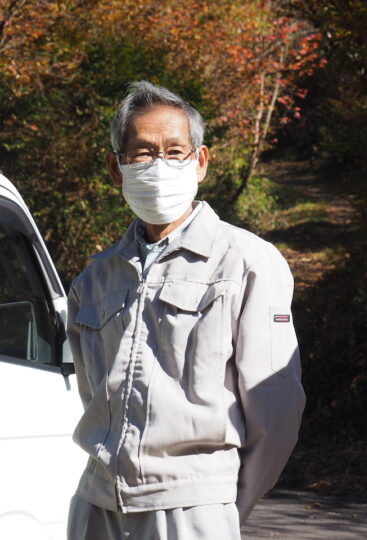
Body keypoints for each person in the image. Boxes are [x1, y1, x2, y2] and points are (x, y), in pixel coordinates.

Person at [66, 81, 305, 539]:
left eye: (175, 151)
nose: (159, 165)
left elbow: (276, 413)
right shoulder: (95, 278)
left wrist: (219, 508)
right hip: (97, 504)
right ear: (115, 168)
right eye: (141, 152)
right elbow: (94, 394)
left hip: (191, 509)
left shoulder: (247, 261)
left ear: (200, 161)